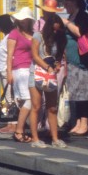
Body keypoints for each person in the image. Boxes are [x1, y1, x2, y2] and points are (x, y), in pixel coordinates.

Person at [60, 0, 88, 136]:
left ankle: (85, 123)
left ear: (74, 2)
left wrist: (67, 23)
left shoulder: (82, 16)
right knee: (76, 92)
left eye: (67, 3)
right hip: (72, 60)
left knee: (83, 92)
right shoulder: (71, 16)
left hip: (82, 60)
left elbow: (80, 32)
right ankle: (79, 122)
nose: (65, 6)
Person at [31, 9, 68, 148]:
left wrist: (57, 65)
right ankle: (35, 139)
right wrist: (47, 67)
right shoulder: (38, 36)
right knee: (36, 106)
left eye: (58, 30)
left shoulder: (58, 39)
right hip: (36, 72)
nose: (55, 32)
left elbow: (58, 56)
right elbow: (35, 55)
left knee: (52, 107)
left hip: (50, 73)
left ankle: (55, 138)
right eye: (53, 29)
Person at [7, 8, 36, 143]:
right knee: (29, 99)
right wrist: (9, 72)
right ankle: (19, 130)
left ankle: (22, 129)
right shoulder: (14, 33)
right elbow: (9, 55)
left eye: (25, 19)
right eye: (21, 19)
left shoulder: (33, 33)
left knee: (27, 101)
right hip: (20, 69)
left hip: (31, 68)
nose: (23, 21)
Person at [0, 13, 16, 133]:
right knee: (8, 98)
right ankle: (11, 122)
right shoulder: (7, 37)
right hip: (4, 72)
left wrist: (8, 70)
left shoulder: (10, 37)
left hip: (8, 72)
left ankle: (13, 124)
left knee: (10, 98)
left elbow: (11, 55)